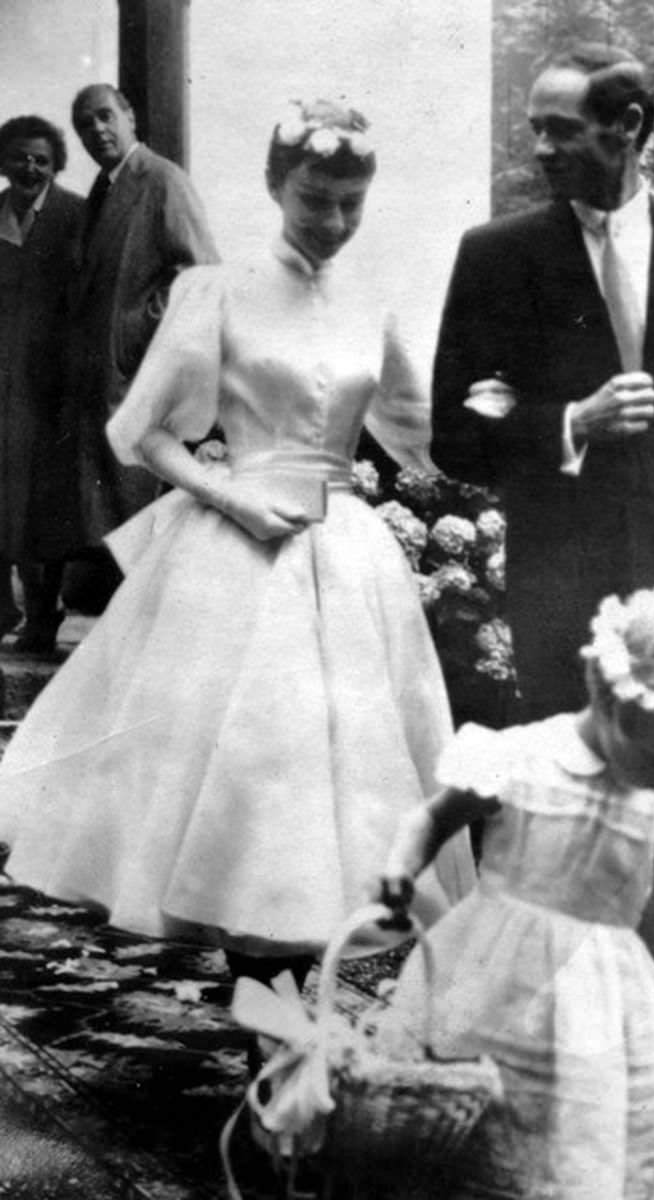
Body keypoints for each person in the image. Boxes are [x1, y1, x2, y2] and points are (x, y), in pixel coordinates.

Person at [0, 99, 474, 995]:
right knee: (254, 788)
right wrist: (235, 493)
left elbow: (425, 437)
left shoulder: (370, 301)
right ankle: (274, 1036)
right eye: (313, 200)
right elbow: (140, 431)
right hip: (238, 558)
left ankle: (292, 1039)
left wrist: (543, 420)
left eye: (351, 203)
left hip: (347, 559)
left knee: (338, 797)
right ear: (272, 187)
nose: (332, 223)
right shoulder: (216, 289)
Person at [374, 585, 654, 1200]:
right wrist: (399, 868)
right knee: (459, 1109)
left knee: (575, 1132)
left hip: (598, 999)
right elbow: (432, 818)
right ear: (605, 697)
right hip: (487, 969)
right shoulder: (524, 756)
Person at [431, 42, 654, 721]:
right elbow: (453, 435)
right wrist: (571, 422)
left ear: (627, 126)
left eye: (561, 130)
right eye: (535, 129)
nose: (540, 148)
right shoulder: (496, 258)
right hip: (559, 600)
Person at [62, 83, 218, 613]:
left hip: (140, 374)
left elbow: (201, 276)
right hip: (103, 379)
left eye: (105, 116)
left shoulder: (162, 180)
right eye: (85, 124)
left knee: (138, 505)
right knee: (106, 514)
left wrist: (135, 326)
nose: (97, 130)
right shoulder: (103, 190)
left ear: (130, 116)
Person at [0, 115, 82, 653]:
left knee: (45, 504)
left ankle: (43, 611)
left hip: (51, 384)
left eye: (41, 159)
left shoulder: (75, 214)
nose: (30, 167)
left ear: (54, 166)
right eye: (20, 157)